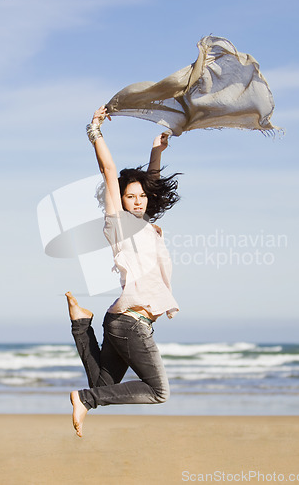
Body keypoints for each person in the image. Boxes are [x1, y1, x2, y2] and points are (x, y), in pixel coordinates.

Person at [66, 105, 181, 437]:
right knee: (158, 391)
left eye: (142, 196)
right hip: (130, 321)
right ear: (120, 200)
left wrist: (156, 150)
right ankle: (83, 398)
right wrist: (95, 130)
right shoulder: (118, 224)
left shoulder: (145, 225)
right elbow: (108, 168)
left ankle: (80, 325)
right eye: (131, 196)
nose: (139, 200)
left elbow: (153, 184)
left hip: (121, 320)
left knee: (102, 384)